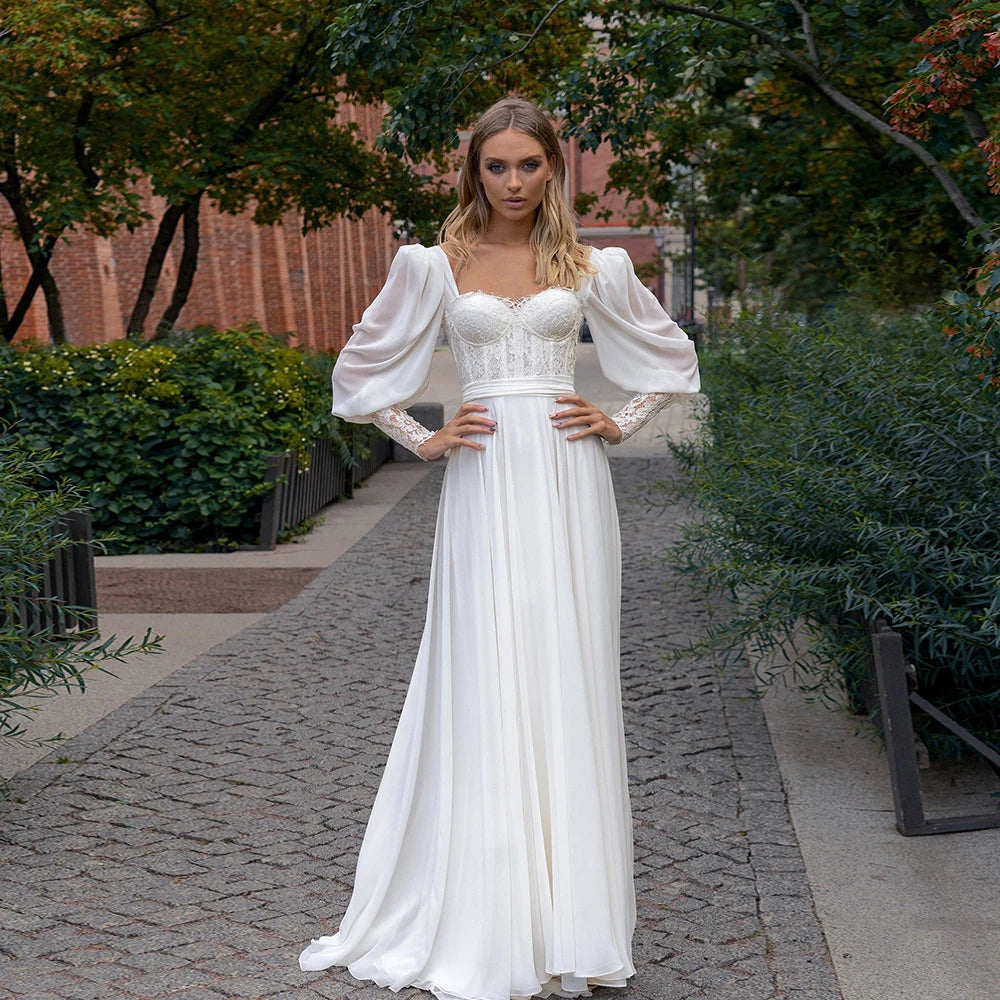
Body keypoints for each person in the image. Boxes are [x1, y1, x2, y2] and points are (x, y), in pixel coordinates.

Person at [299, 97, 700, 1000]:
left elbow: (672, 356)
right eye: (497, 166)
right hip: (482, 485)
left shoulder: (591, 263)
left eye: (529, 165)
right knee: (487, 671)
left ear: (553, 167)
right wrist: (421, 437)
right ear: (472, 171)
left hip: (569, 482)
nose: (513, 182)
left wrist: (619, 419)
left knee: (569, 672)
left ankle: (574, 920)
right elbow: (357, 372)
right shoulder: (432, 263)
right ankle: (490, 911)